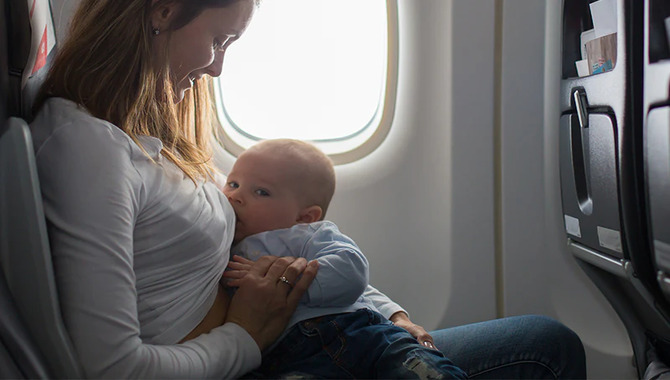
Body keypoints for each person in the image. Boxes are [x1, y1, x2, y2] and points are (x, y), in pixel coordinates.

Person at [27, 0, 586, 378]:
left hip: (302, 333)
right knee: (542, 355)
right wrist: (247, 336)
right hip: (260, 357)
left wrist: (390, 314)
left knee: (547, 340)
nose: (217, 68)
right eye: (219, 39)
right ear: (165, 9)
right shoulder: (88, 147)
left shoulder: (155, 140)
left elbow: (299, 246)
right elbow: (112, 368)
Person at [222, 139, 467, 378]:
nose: (236, 196)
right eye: (233, 184)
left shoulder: (307, 235)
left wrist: (284, 283)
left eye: (261, 192)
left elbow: (351, 270)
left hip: (356, 332)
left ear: (305, 217)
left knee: (420, 368)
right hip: (290, 356)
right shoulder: (226, 244)